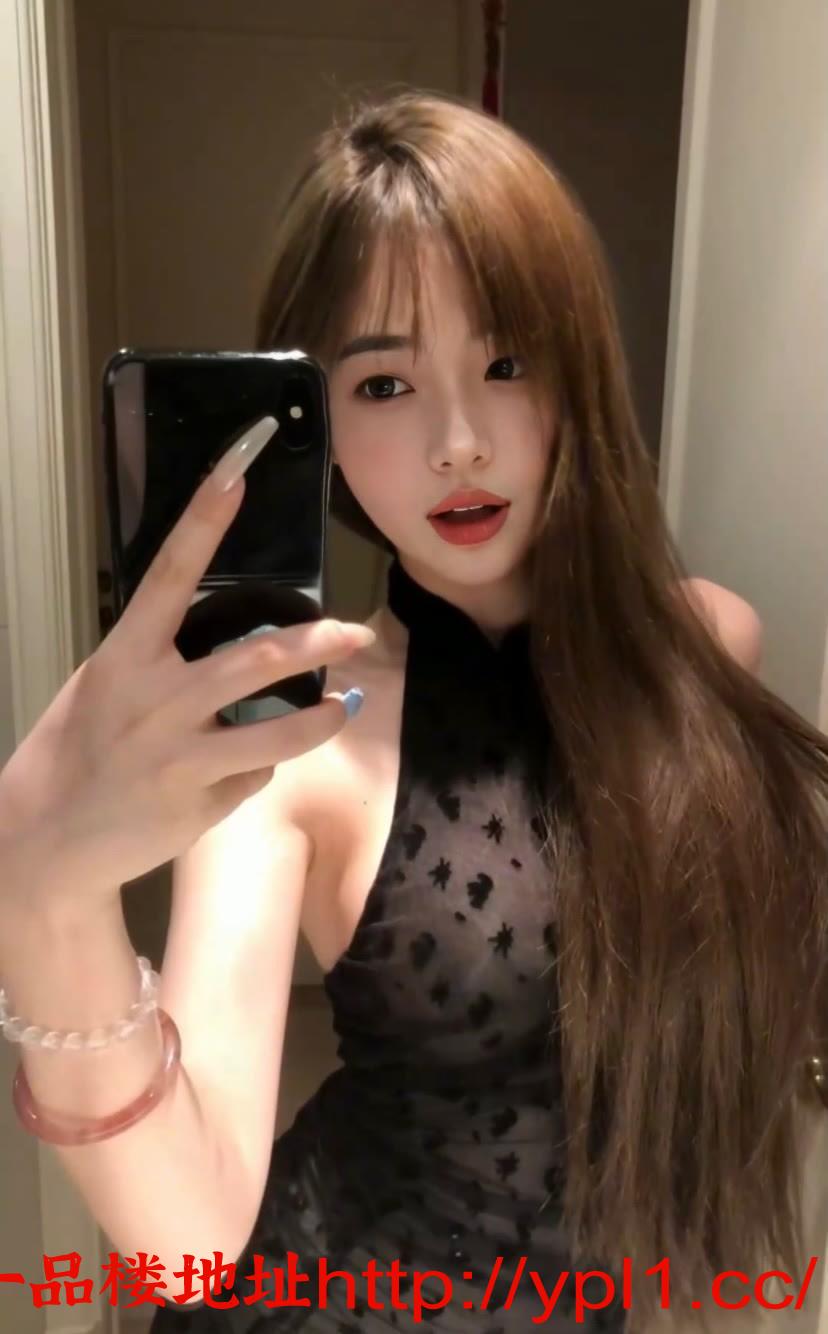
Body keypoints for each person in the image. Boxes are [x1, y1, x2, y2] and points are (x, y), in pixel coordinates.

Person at [0, 90, 824, 1334]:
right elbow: (188, 1243)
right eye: (384, 383)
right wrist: (40, 890)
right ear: (319, 428)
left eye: (508, 362)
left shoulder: (709, 645)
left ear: (579, 374)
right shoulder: (301, 739)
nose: (458, 442)